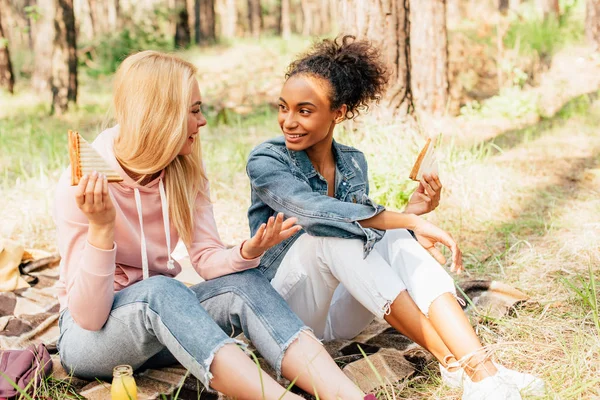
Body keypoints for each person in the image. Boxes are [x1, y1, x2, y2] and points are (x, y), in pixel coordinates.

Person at [54, 50, 373, 400]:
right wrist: (101, 229)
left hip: (165, 326)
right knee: (162, 289)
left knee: (244, 283)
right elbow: (87, 317)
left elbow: (205, 258)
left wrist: (246, 251)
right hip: (91, 340)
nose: (202, 121)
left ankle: (347, 396)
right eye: (193, 111)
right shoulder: (85, 184)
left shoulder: (184, 170)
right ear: (162, 116)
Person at [246, 36, 545, 400]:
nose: (288, 121)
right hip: (284, 314)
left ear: (338, 113)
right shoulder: (267, 160)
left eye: (304, 111)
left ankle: (482, 371)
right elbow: (315, 213)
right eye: (283, 107)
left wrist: (412, 215)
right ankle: (457, 364)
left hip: (339, 314)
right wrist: (409, 221)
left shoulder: (353, 162)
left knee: (392, 237)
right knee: (332, 235)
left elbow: (371, 233)